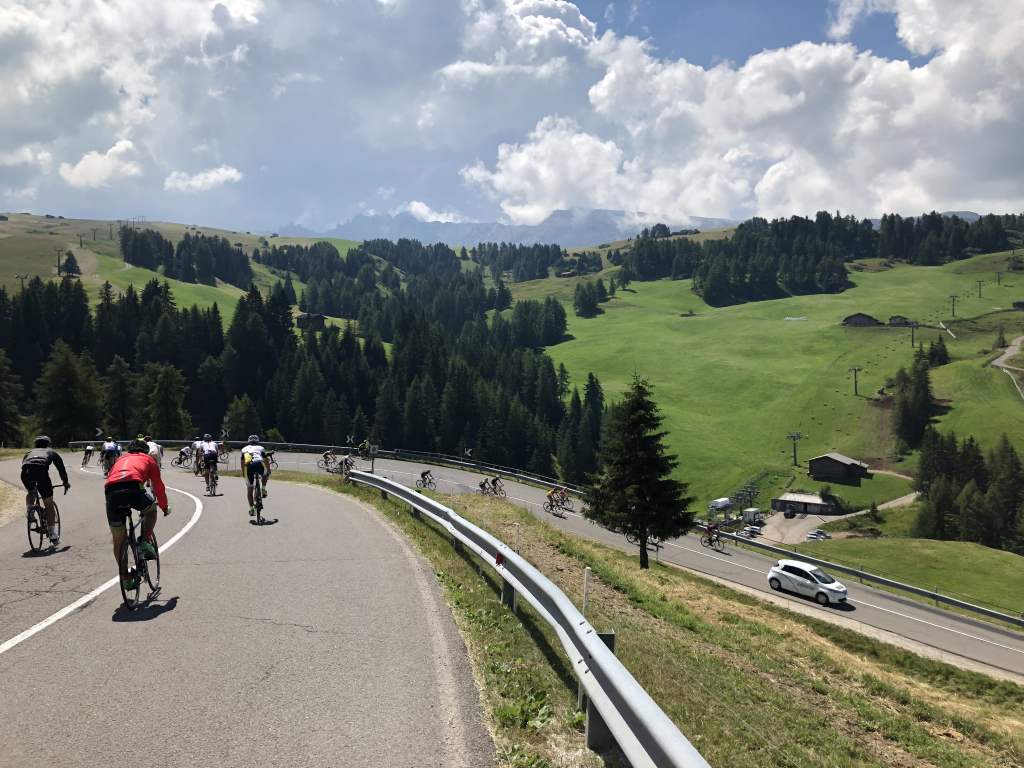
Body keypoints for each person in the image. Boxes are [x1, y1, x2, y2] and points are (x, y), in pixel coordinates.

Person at [104, 439, 169, 591]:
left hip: (111, 492)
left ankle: (125, 578)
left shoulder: (120, 459)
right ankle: (145, 541)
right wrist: (164, 507)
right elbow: (158, 487)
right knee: (151, 510)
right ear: (145, 451)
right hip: (133, 487)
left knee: (119, 540)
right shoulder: (148, 459)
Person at [21, 436, 70, 545]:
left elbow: (24, 465)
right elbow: (61, 469)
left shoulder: (29, 452)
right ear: (48, 444)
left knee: (31, 491)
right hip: (41, 473)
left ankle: (30, 510)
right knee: (48, 504)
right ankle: (52, 534)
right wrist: (65, 482)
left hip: (26, 473)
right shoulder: (51, 451)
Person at [241, 434, 271, 517]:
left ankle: (251, 508)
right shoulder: (261, 448)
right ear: (258, 441)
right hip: (258, 463)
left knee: (250, 489)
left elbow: (242, 462)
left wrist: (243, 472)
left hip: (248, 466)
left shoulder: (244, 449)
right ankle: (263, 489)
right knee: (265, 474)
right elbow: (265, 459)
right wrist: (268, 470)